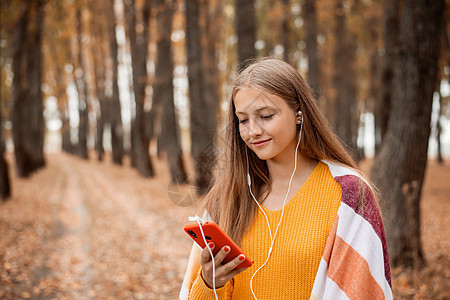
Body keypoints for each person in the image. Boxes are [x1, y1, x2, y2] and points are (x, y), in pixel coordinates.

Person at [180, 58, 392, 299]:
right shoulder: (227, 198)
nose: (253, 131)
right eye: (243, 120)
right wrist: (210, 283)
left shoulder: (348, 193)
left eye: (266, 115)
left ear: (299, 113)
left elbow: (361, 291)